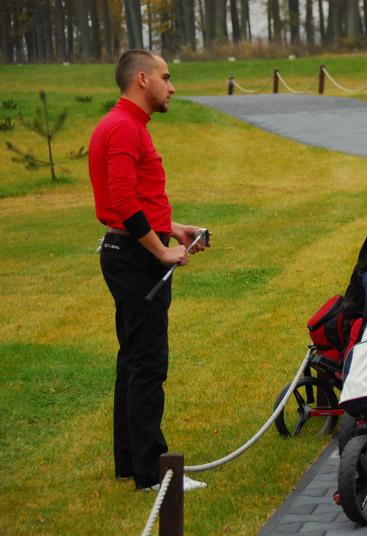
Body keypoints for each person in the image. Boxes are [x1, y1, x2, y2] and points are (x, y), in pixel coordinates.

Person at [89, 49, 208, 490]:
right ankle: (153, 473)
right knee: (148, 363)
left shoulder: (126, 124)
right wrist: (161, 251)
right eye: (166, 77)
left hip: (128, 250)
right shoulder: (124, 127)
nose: (171, 87)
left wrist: (173, 229)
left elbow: (135, 198)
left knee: (133, 359)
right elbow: (122, 201)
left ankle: (131, 463)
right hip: (135, 258)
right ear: (142, 79)